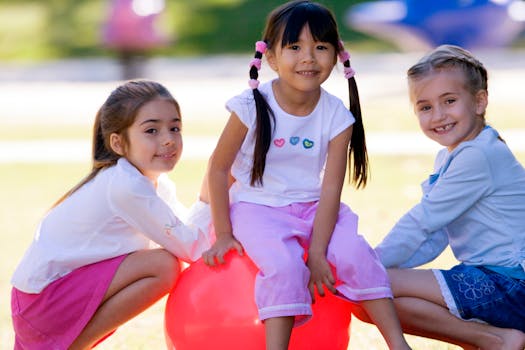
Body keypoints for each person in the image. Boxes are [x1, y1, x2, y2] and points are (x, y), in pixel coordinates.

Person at [201, 1, 411, 349]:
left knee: (355, 253)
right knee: (284, 267)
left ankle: (398, 343)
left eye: (321, 47)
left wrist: (317, 252)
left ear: (337, 54)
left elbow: (331, 188)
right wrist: (222, 233)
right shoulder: (250, 106)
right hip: (257, 209)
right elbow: (218, 167)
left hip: (313, 208)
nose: (308, 58)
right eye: (295, 46)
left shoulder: (337, 115)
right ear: (271, 57)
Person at [10, 80, 213, 349]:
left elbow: (187, 234)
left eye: (174, 128)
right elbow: (192, 248)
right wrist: (213, 189)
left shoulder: (153, 184)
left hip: (40, 301)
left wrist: (211, 200)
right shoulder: (125, 186)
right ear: (118, 143)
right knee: (163, 265)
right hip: (41, 303)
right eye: (151, 130)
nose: (168, 139)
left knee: (164, 262)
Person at [365, 45, 525, 350]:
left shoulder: (479, 155)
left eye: (449, 101)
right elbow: (434, 235)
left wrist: (367, 263)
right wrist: (373, 267)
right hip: (492, 280)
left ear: (479, 102)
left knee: (369, 283)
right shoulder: (453, 156)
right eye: (425, 107)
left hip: (513, 284)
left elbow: (423, 221)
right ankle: (490, 340)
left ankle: (498, 339)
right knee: (368, 293)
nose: (438, 116)